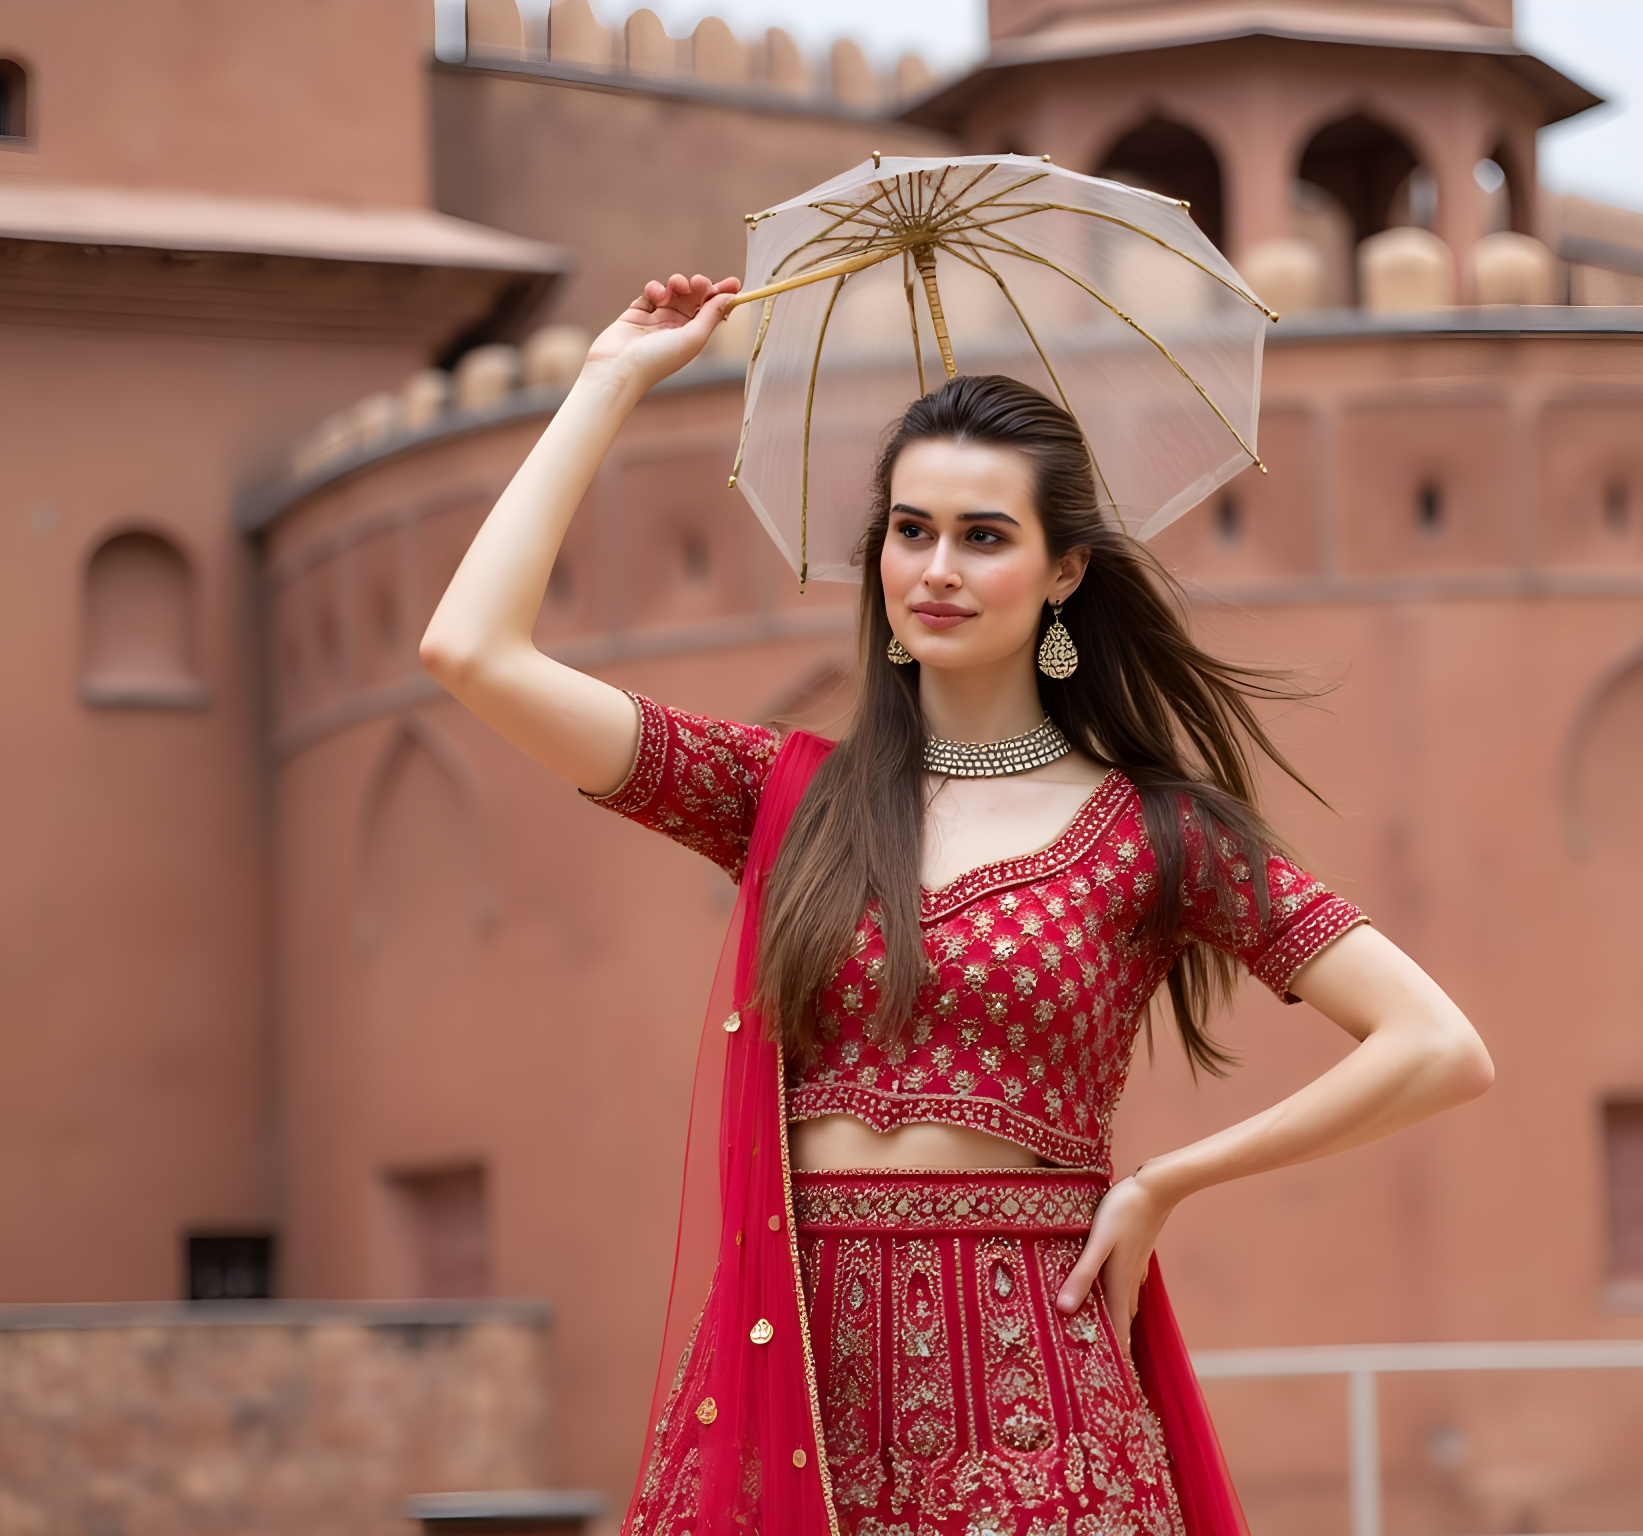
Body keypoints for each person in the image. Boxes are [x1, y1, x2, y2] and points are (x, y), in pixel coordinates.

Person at [421, 272, 1493, 1536]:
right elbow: (471, 652)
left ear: (1062, 570)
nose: (935, 569)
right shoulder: (784, 798)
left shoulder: (1156, 833)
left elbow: (1437, 1047)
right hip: (792, 1381)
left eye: (983, 536)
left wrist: (1165, 1183)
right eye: (908, 531)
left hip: (1034, 1389)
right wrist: (609, 384)